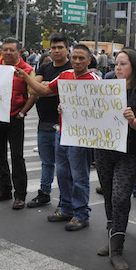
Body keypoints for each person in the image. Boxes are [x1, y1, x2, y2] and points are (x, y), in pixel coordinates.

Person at [15, 44, 101, 231]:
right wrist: (26, 78)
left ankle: (81, 214)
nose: (77, 61)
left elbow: (101, 110)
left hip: (81, 137)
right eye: (75, 58)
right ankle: (66, 208)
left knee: (79, 176)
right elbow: (44, 91)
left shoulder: (94, 80)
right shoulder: (65, 76)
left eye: (81, 58)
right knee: (62, 173)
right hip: (62, 133)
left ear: (89, 60)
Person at [95, 48, 136, 270]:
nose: (118, 67)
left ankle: (117, 250)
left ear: (134, 67)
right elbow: (90, 112)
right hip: (103, 150)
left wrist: (133, 120)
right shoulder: (106, 85)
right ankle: (113, 239)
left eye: (123, 64)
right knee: (110, 195)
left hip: (128, 153)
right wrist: (70, 111)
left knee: (121, 197)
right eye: (116, 63)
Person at [0, 37, 36, 210]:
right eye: (5, 49)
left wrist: (22, 113)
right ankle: (4, 190)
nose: (8, 52)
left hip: (15, 118)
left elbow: (34, 93)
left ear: (19, 52)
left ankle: (20, 195)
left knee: (17, 157)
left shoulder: (27, 70)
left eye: (11, 50)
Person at [26, 34, 72, 208]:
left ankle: (65, 198)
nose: (57, 50)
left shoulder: (70, 68)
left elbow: (41, 88)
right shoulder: (44, 67)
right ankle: (44, 193)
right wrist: (47, 85)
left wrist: (44, 85)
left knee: (64, 166)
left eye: (60, 47)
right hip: (44, 122)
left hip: (65, 125)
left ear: (67, 49)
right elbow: (33, 89)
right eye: (53, 48)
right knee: (46, 162)